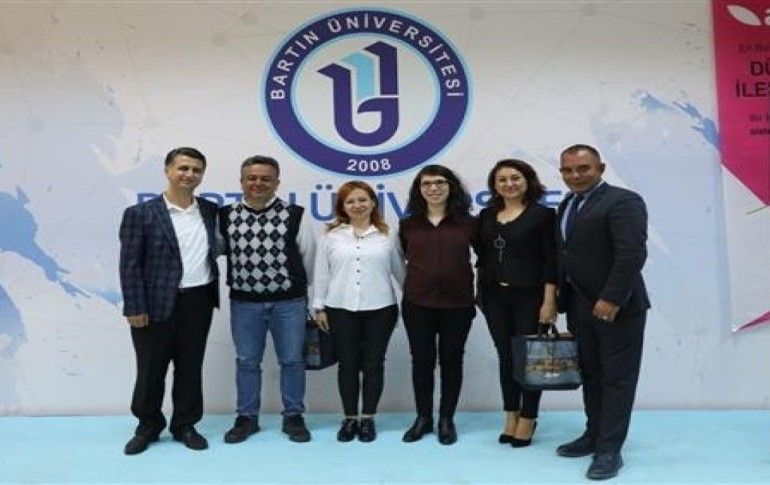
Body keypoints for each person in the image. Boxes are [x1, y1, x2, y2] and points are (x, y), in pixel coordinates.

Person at [554, 144, 649, 480]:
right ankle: (593, 435)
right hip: (579, 306)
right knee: (591, 375)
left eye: (583, 168)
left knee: (617, 379)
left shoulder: (623, 201)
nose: (575, 175)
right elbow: (567, 254)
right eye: (568, 170)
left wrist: (611, 298)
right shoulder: (567, 203)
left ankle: (609, 451)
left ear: (601, 168)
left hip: (617, 308)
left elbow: (631, 253)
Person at [119, 147, 220, 455]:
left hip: (198, 301)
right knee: (150, 369)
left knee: (190, 367)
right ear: (168, 171)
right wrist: (135, 307)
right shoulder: (140, 214)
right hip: (153, 305)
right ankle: (147, 426)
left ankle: (185, 425)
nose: (189, 174)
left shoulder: (210, 210)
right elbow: (129, 265)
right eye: (183, 168)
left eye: (196, 170)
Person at [219, 155, 316, 444]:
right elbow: (218, 251)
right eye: (252, 178)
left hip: (289, 303)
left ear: (277, 183)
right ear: (241, 181)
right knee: (247, 361)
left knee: (292, 361)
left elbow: (308, 257)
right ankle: (246, 417)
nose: (258, 183)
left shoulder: (295, 214)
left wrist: (302, 294)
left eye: (265, 178)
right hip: (244, 303)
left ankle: (294, 416)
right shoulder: (225, 215)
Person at [312, 181, 405, 443]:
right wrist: (319, 307)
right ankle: (350, 418)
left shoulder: (388, 235)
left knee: (374, 364)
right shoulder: (330, 236)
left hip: (381, 309)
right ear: (342, 207)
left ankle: (368, 418)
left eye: (363, 199)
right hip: (340, 309)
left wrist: (413, 299)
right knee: (348, 365)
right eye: (350, 201)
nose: (357, 205)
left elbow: (400, 271)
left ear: (373, 202)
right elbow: (322, 273)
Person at [477, 159, 557, 448]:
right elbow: (482, 254)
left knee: (529, 359)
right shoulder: (486, 215)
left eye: (515, 178)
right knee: (506, 358)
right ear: (494, 185)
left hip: (530, 297)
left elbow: (552, 260)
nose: (509, 184)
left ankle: (528, 416)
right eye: (502, 179)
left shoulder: (543, 215)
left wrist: (549, 301)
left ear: (527, 181)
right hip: (493, 297)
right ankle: (510, 414)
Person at [399, 164, 478, 445]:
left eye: (440, 182)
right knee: (421, 361)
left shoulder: (469, 223)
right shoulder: (408, 225)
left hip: (458, 304)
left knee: (452, 361)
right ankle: (423, 418)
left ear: (451, 187)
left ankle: (446, 418)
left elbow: (486, 260)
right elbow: (402, 261)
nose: (433, 188)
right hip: (418, 302)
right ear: (419, 190)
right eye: (427, 184)